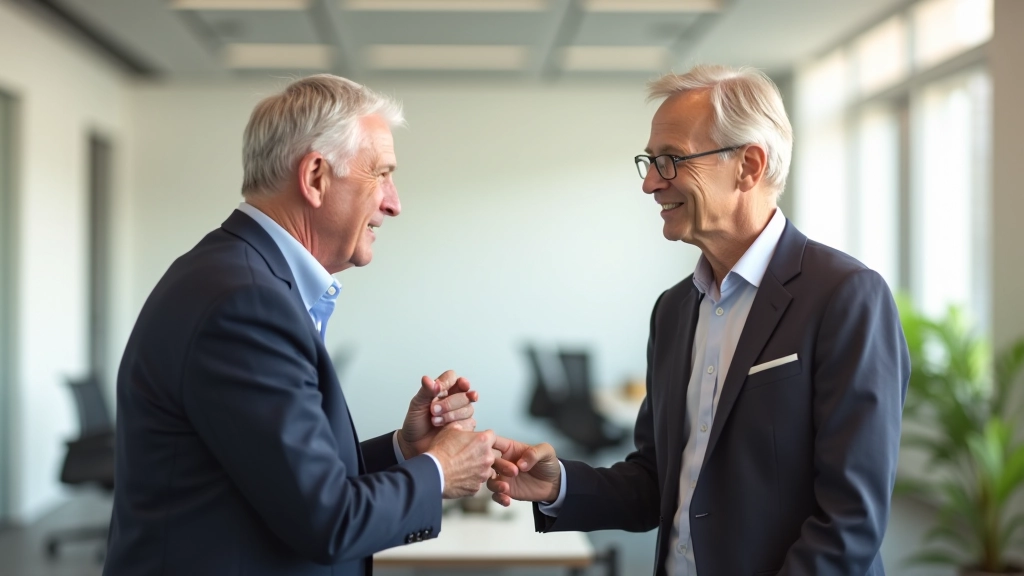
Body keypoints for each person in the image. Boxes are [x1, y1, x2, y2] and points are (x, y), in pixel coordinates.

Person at [488, 65, 910, 576]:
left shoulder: (846, 296)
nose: (649, 183)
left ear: (748, 166)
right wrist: (559, 485)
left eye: (669, 161)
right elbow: (656, 482)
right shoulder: (673, 310)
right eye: (648, 161)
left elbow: (850, 522)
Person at [104, 75, 499, 576]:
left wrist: (407, 450)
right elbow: (326, 519)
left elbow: (284, 477)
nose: (394, 203)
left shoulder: (241, 277)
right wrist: (441, 470)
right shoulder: (245, 301)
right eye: (381, 174)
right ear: (314, 177)